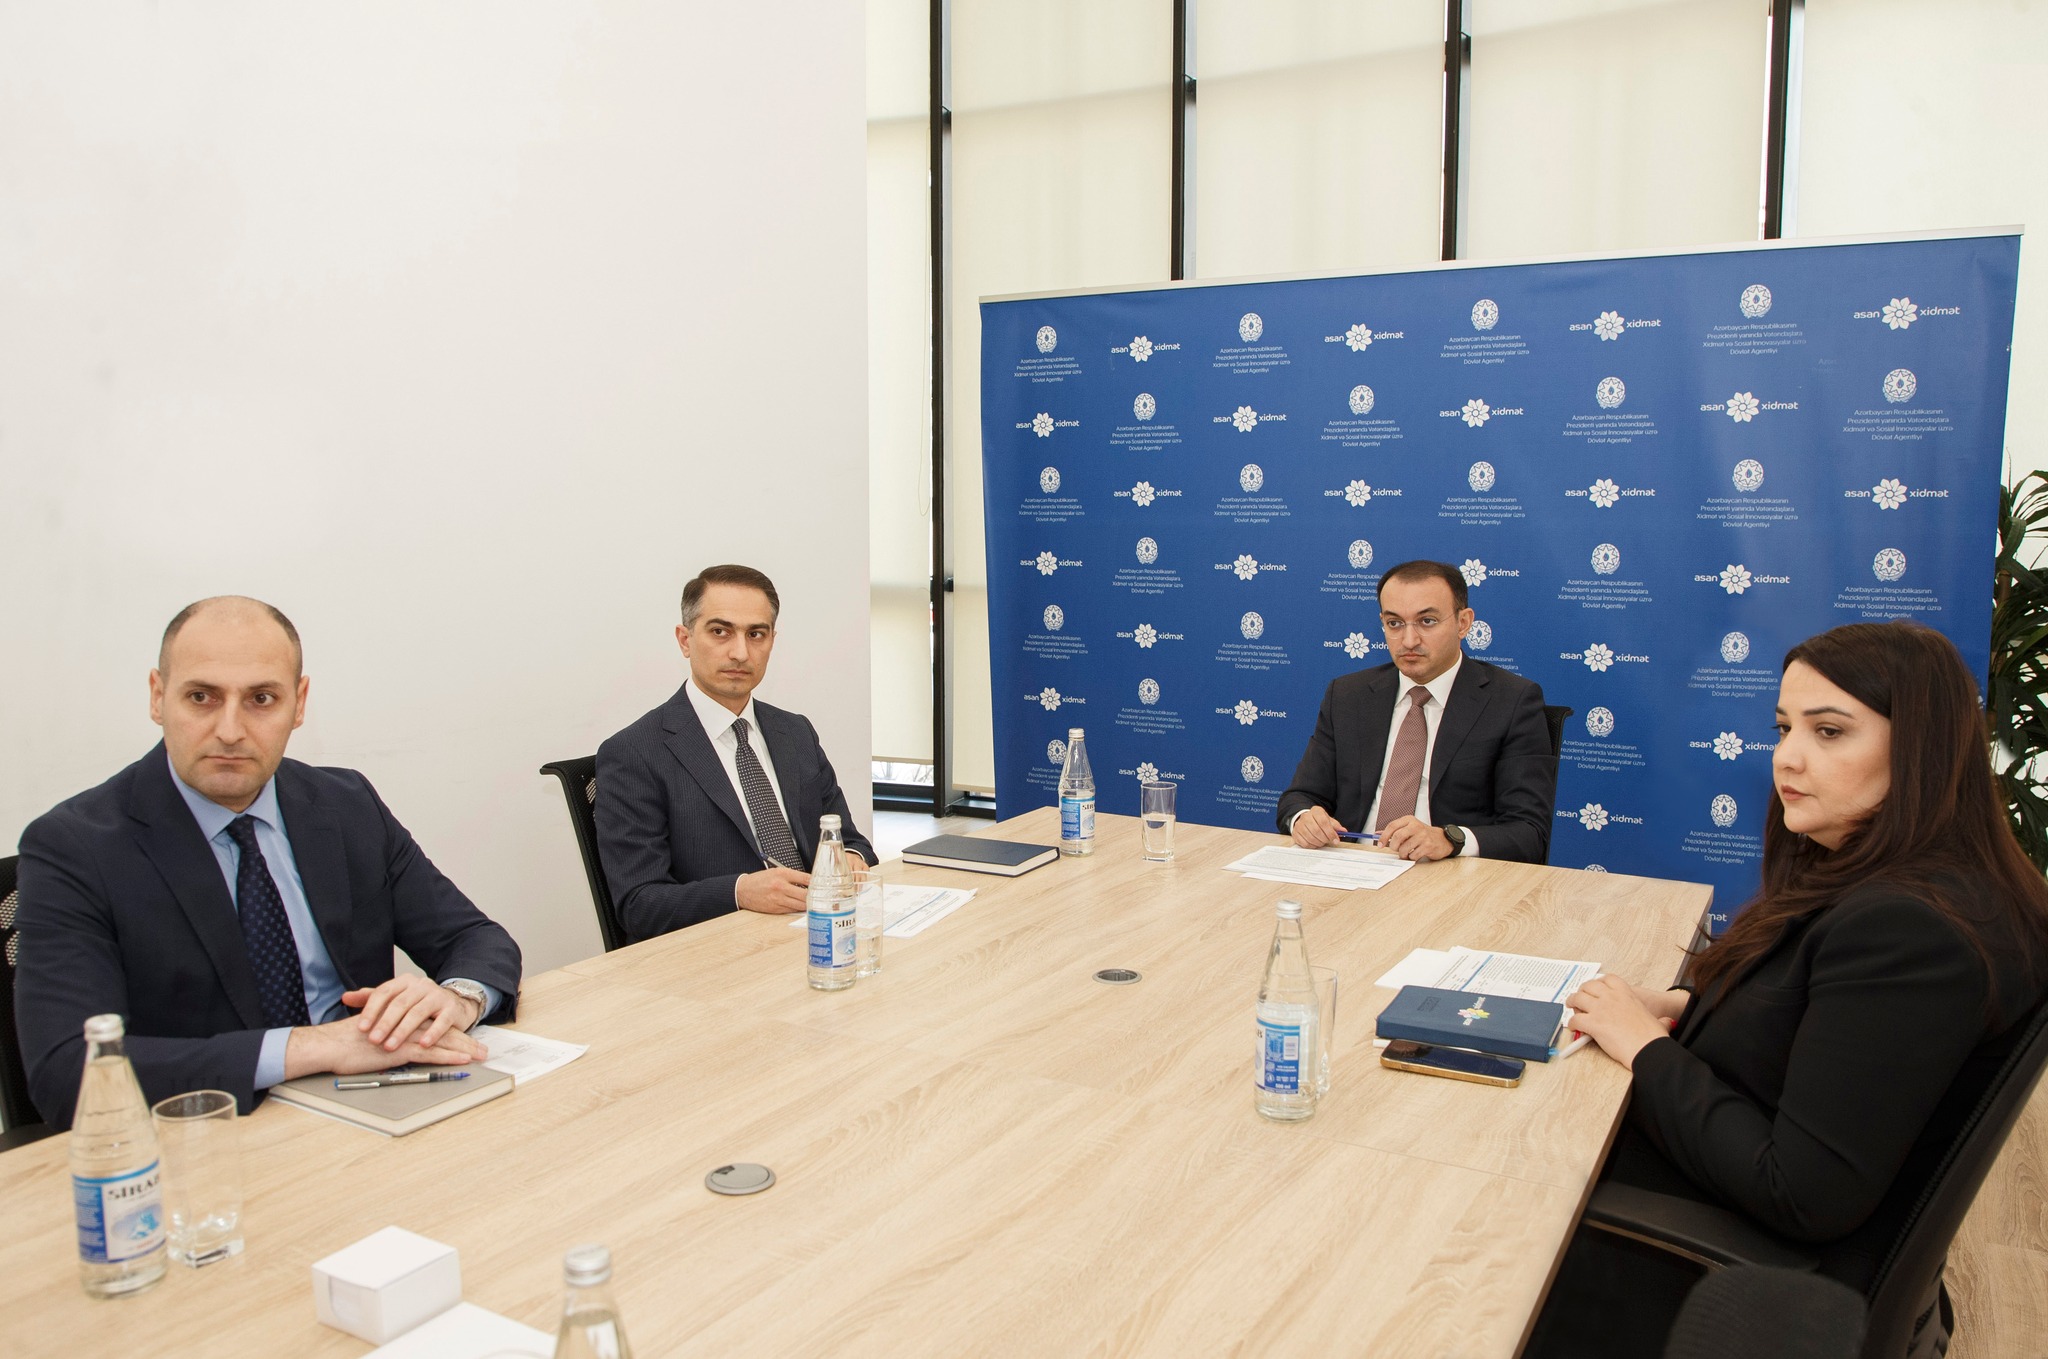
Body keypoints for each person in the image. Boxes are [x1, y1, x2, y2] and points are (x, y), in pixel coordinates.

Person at [1528, 620, 2048, 1358]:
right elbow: (1824, 1032)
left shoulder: (1910, 929)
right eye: (1784, 727)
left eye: (1829, 731)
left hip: (1723, 1264)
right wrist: (1682, 1007)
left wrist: (1644, 1046)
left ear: (1922, 748)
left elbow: (1801, 1191)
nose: (1786, 757)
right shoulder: (1910, 880)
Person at [14, 597, 522, 1129]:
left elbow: (476, 939)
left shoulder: (346, 805)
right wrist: (319, 1047)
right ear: (158, 696)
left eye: (261, 699)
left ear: (298, 704)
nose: (230, 730)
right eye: (201, 697)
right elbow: (68, 1072)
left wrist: (457, 999)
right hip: (210, 1135)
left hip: (377, 1114)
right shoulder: (73, 846)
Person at [595, 564, 874, 940]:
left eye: (756, 634)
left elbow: (849, 839)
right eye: (720, 631)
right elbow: (638, 905)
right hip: (720, 949)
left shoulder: (795, 732)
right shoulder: (633, 753)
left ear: (772, 641)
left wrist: (851, 859)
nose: (741, 653)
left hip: (820, 932)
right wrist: (739, 893)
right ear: (684, 640)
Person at [1275, 559, 1557, 863]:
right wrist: (1304, 819)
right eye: (1395, 624)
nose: (1409, 641)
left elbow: (1529, 833)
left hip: (1446, 873)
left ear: (1463, 623)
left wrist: (1450, 839)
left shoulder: (1511, 701)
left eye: (1427, 621)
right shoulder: (1347, 695)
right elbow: (1299, 798)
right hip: (1352, 865)